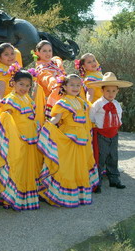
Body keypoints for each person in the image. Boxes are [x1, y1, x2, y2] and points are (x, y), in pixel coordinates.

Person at [38, 74, 99, 207]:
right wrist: (48, 126)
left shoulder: (82, 102)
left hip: (82, 138)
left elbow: (86, 121)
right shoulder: (62, 102)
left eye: (78, 85)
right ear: (64, 87)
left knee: (79, 165)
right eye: (72, 85)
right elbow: (56, 118)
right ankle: (61, 196)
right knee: (67, 165)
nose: (75, 87)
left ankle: (77, 195)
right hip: (68, 138)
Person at [0, 68, 42, 210]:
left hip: (30, 139)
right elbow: (4, 117)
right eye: (21, 84)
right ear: (13, 83)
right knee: (16, 166)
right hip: (17, 141)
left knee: (27, 168)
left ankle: (24, 196)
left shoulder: (27, 99)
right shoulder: (10, 100)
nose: (24, 88)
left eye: (27, 86)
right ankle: (11, 196)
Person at [88, 72, 133, 193]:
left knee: (113, 156)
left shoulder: (117, 104)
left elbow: (119, 116)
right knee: (100, 157)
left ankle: (114, 179)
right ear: (102, 90)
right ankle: (97, 182)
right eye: (108, 91)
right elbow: (91, 116)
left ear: (117, 91)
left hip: (113, 133)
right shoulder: (98, 104)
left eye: (113, 91)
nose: (111, 94)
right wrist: (96, 126)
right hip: (101, 133)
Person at [34, 40, 66, 118]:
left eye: (49, 50)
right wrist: (56, 84)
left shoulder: (53, 63)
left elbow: (57, 59)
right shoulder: (41, 68)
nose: (48, 53)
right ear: (37, 53)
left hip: (62, 92)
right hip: (49, 98)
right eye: (44, 51)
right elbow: (47, 78)